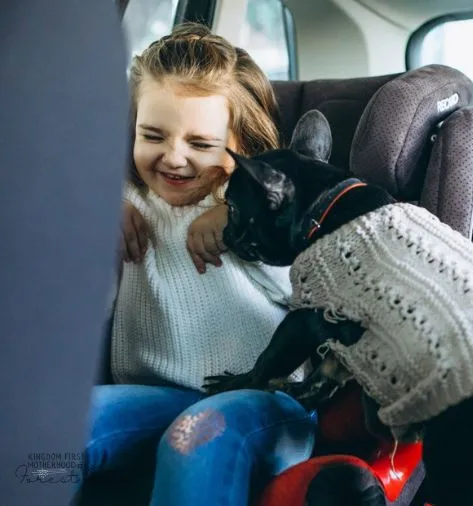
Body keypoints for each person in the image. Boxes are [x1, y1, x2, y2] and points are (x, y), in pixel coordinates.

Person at [81, 23, 315, 506]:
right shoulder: (124, 204)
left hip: (267, 400)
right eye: (152, 135)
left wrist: (243, 219)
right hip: (158, 397)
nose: (174, 157)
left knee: (193, 442)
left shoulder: (267, 211)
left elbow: (313, 297)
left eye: (201, 144)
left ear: (242, 147)